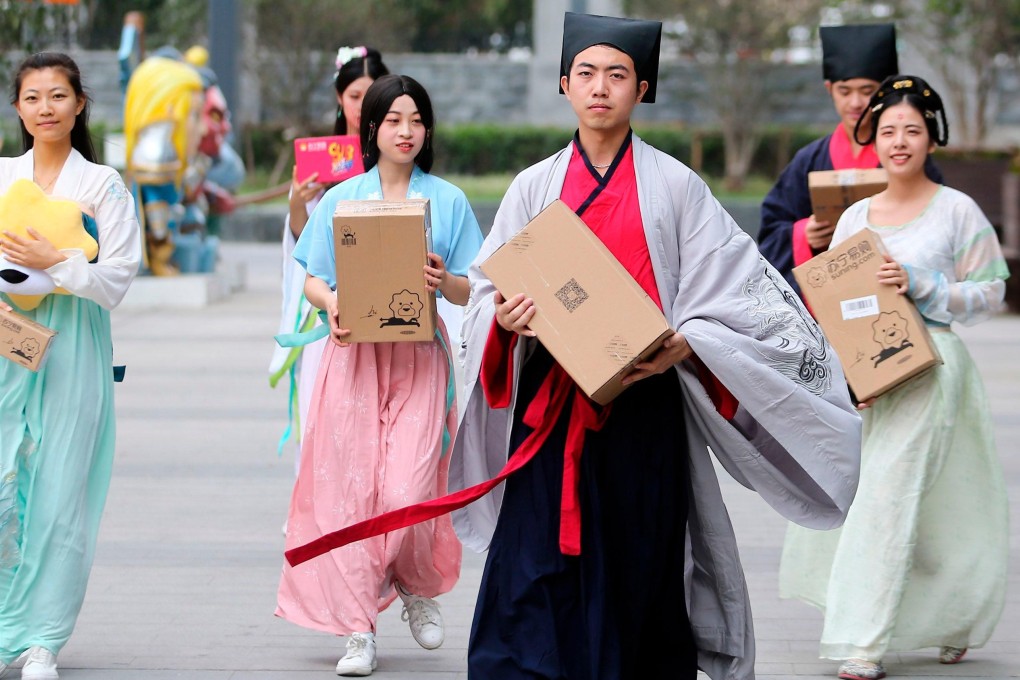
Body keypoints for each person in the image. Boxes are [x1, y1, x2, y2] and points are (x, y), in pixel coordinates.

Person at [451, 12, 862, 679]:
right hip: (550, 414)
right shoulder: (534, 186)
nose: (600, 88)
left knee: (639, 555)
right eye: (586, 73)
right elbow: (484, 294)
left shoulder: (675, 186)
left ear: (644, 87)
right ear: (563, 84)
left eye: (618, 75)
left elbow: (739, 291)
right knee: (532, 564)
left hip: (644, 407)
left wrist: (687, 342)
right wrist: (505, 320)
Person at [779, 75, 1009, 680]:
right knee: (926, 504)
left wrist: (924, 287)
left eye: (912, 129)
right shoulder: (857, 216)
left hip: (934, 370)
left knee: (891, 496)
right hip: (872, 377)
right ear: (873, 142)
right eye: (887, 131)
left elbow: (992, 292)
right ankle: (951, 619)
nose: (899, 141)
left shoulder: (957, 210)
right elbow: (842, 302)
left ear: (932, 138)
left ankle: (863, 641)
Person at [276, 73, 483, 676]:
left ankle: (414, 584)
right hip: (354, 357)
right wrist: (332, 304)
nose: (407, 130)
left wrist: (442, 280)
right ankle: (357, 627)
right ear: (372, 128)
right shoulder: (344, 197)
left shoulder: (446, 201)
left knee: (410, 485)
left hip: (420, 356)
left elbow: (476, 287)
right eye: (394, 120)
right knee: (351, 492)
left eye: (416, 120)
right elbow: (312, 274)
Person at [0, 52, 141, 679]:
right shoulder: (3, 177)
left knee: (59, 491)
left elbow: (116, 280)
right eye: (32, 98)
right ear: (18, 108)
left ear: (79, 104)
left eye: (58, 96)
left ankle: (42, 641)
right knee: (7, 482)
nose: (46, 109)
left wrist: (55, 261)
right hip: (7, 335)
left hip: (75, 338)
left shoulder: (103, 186)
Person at [270, 46, 389, 472]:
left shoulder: (398, 152)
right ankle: (322, 508)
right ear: (340, 98)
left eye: (375, 93)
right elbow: (304, 247)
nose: (366, 105)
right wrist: (298, 204)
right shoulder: (320, 161)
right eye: (356, 95)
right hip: (332, 303)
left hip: (389, 295)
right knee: (328, 408)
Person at [758, 23, 942, 296]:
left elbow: (937, 229)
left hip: (893, 294)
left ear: (885, 91)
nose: (855, 102)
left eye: (867, 91)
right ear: (829, 89)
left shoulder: (908, 156)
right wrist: (804, 234)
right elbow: (771, 230)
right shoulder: (809, 160)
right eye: (845, 91)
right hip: (827, 299)